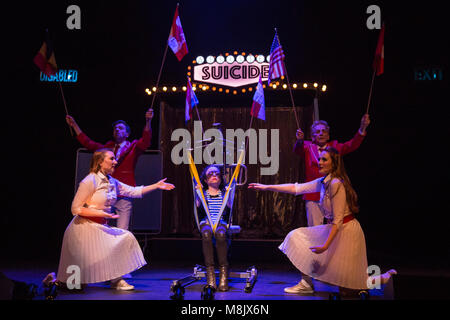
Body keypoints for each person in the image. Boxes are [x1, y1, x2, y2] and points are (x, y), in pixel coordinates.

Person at [249, 146, 396, 296]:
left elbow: (338, 221)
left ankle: (383, 279)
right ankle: (306, 284)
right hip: (337, 229)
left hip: (347, 233)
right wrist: (266, 187)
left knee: (350, 285)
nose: (319, 162)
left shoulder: (335, 184)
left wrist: (325, 246)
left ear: (334, 163)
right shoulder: (323, 182)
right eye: (319, 159)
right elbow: (296, 188)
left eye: (324, 159)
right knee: (297, 236)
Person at [56, 148, 175, 290]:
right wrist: (102, 214)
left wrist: (156, 186)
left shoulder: (112, 181)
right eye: (111, 159)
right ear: (100, 162)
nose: (115, 161)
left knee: (125, 237)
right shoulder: (89, 181)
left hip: (99, 228)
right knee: (74, 286)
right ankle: (53, 279)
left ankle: (117, 279)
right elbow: (75, 209)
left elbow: (133, 191)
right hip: (82, 231)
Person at [65, 108, 153, 230]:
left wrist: (148, 121)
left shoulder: (133, 147)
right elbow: (88, 143)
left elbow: (146, 141)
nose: (117, 129)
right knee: (103, 229)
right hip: (105, 193)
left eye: (121, 128)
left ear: (127, 134)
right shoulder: (107, 148)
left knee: (123, 230)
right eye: (115, 128)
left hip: (123, 193)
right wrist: (74, 125)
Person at [294, 114, 371, 227]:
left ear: (328, 135)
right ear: (312, 136)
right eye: (318, 131)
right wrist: (300, 140)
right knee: (315, 228)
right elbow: (298, 150)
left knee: (335, 226)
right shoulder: (307, 146)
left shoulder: (334, 147)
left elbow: (351, 145)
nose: (321, 133)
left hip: (332, 194)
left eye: (324, 131)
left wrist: (362, 128)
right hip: (313, 195)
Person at [195, 164, 233, 291]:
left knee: (221, 235)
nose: (214, 176)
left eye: (217, 174)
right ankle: (210, 276)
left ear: (221, 179)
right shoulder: (203, 193)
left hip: (220, 222)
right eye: (210, 174)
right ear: (205, 180)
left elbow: (229, 207)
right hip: (206, 222)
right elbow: (198, 206)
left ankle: (223, 273)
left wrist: (229, 193)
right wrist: (198, 193)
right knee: (206, 234)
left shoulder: (223, 193)